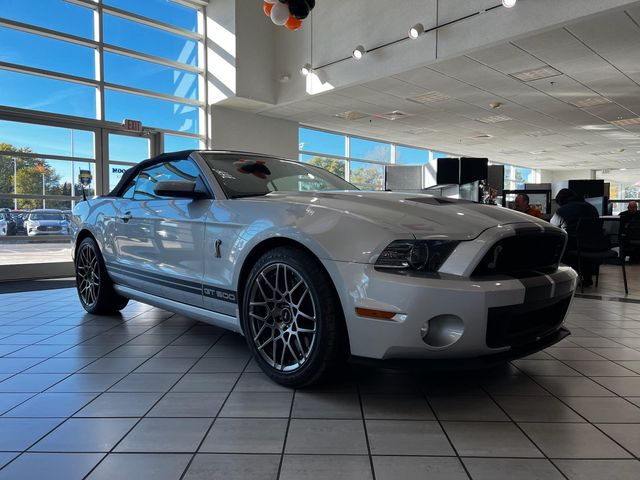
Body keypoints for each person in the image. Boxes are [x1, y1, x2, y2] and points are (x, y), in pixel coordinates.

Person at [551, 188, 600, 287]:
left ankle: (561, 277)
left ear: (561, 201)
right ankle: (587, 277)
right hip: (595, 245)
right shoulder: (592, 208)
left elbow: (552, 227)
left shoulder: (563, 210)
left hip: (574, 246)